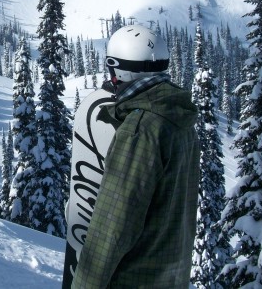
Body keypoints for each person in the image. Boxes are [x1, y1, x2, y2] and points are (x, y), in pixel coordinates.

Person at [72, 24, 200, 288]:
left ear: (119, 69)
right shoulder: (179, 119)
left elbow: (113, 224)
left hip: (134, 279)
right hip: (171, 275)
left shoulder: (141, 130)